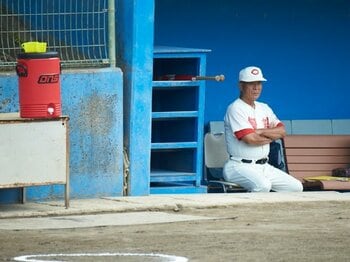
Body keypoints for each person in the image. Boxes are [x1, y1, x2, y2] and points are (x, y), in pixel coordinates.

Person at [223, 66, 303, 192]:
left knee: (295, 187)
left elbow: (282, 131)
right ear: (241, 86)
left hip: (263, 165)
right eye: (251, 84)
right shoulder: (235, 108)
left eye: (259, 83)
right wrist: (272, 136)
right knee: (263, 185)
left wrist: (260, 131)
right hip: (239, 166)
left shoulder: (264, 107)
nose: (256, 88)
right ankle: (247, 211)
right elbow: (251, 139)